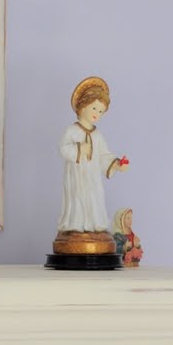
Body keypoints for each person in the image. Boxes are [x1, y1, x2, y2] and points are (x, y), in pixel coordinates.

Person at [58, 77, 129, 231]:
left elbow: (104, 156)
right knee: (77, 198)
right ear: (83, 106)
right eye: (95, 108)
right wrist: (79, 149)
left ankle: (94, 224)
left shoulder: (97, 136)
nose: (97, 114)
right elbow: (63, 148)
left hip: (92, 178)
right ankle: (75, 225)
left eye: (101, 111)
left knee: (94, 197)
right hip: (76, 177)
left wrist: (117, 165)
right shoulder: (72, 131)